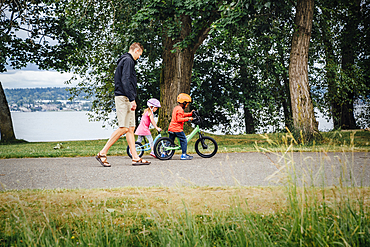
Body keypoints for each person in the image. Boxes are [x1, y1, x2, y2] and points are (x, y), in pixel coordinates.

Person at [96, 42, 151, 167]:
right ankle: (102, 153)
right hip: (123, 98)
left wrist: (132, 98)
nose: (139, 57)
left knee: (131, 129)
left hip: (128, 97)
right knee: (124, 128)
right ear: (136, 50)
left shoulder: (126, 60)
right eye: (140, 54)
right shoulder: (128, 60)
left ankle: (135, 158)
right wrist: (132, 99)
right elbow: (125, 80)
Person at [168, 93, 194, 160]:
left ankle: (164, 153)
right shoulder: (180, 109)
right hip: (177, 129)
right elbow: (179, 119)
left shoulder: (176, 108)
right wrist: (188, 119)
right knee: (184, 140)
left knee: (170, 141)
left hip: (171, 128)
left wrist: (190, 114)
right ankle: (184, 155)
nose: (187, 105)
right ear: (184, 102)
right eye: (187, 103)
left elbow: (182, 115)